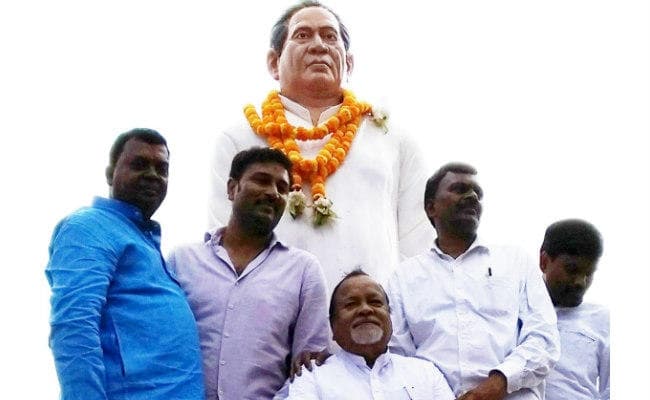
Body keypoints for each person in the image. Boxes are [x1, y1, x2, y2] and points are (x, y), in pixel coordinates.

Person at [209, 1, 434, 291]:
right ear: (274, 63)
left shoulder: (392, 139)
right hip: (272, 311)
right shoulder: (240, 138)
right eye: (302, 35)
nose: (318, 46)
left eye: (330, 36)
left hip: (372, 312)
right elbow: (221, 242)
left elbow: (418, 244)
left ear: (348, 63)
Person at [45, 128, 204, 399]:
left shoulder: (145, 242)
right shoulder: (89, 226)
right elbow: (74, 326)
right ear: (110, 174)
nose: (153, 175)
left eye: (162, 169)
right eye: (139, 164)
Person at [168, 147, 330, 400]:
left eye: (282, 187)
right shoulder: (183, 261)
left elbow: (309, 365)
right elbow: (163, 344)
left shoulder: (303, 270)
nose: (273, 192)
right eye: (262, 180)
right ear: (232, 189)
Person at [387, 162, 560, 400]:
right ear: (431, 207)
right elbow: (398, 354)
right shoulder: (404, 276)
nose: (472, 197)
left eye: (478, 193)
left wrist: (497, 384)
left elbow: (544, 338)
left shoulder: (515, 262)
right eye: (459, 189)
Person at [279, 269, 454, 399]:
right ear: (333, 326)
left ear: (390, 319)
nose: (365, 309)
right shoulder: (311, 376)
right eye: (351, 304)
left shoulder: (426, 373)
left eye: (375, 302)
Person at [540, 219, 609, 400]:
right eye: (572, 270)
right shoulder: (514, 309)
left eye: (589, 273)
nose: (580, 282)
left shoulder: (602, 320)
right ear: (544, 261)